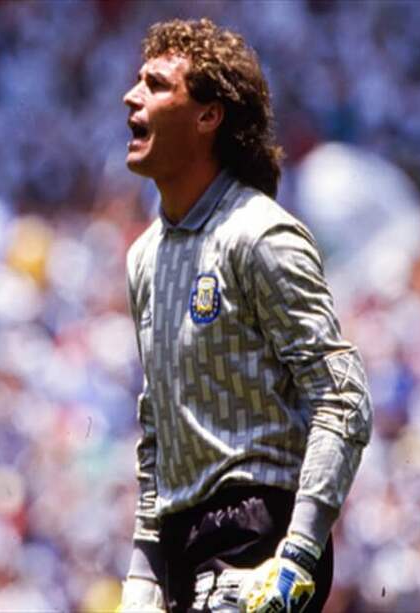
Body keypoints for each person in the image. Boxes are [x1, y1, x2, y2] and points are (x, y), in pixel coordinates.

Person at [118, 18, 373, 613]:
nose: (131, 96)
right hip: (181, 550)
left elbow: (343, 394)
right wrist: (142, 579)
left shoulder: (259, 234)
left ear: (208, 116)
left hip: (257, 531)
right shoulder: (144, 258)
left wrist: (299, 551)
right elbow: (159, 430)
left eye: (156, 84)